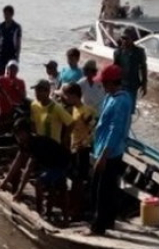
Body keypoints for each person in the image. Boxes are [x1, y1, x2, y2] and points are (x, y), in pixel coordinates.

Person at [89, 64, 132, 236]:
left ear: (113, 83)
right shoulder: (110, 97)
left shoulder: (121, 101)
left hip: (110, 152)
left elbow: (115, 130)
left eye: (105, 84)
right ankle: (108, 222)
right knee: (104, 187)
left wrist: (104, 155)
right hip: (102, 149)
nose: (103, 87)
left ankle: (98, 227)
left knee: (102, 191)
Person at [0, 118, 71, 221]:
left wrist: (19, 192)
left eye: (20, 133)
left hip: (61, 162)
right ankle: (48, 214)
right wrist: (4, 182)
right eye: (17, 134)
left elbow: (28, 169)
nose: (18, 137)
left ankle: (41, 213)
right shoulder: (24, 143)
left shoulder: (36, 144)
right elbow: (17, 162)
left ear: (27, 132)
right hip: (50, 164)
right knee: (51, 187)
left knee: (42, 184)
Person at [60, 82, 98, 220]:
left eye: (67, 96)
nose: (66, 98)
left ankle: (76, 210)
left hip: (82, 149)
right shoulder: (74, 109)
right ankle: (72, 207)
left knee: (79, 181)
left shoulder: (85, 111)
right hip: (74, 148)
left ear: (74, 96)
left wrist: (85, 144)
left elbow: (93, 130)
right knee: (75, 180)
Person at [113, 27, 147, 113]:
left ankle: (127, 125)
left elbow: (143, 67)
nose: (124, 41)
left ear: (132, 39)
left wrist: (144, 84)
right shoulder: (118, 52)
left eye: (126, 38)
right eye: (123, 38)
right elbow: (115, 68)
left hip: (132, 85)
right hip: (120, 85)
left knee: (130, 109)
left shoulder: (139, 52)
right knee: (119, 108)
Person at [29, 79, 73, 144]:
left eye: (40, 91)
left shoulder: (56, 108)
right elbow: (33, 122)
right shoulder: (34, 105)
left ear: (48, 92)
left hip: (53, 146)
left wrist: (65, 139)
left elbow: (71, 123)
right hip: (39, 143)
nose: (37, 94)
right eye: (36, 91)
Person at [0, 59, 26, 132]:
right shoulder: (0, 79)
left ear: (17, 70)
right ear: (7, 69)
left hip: (14, 111)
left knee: (12, 129)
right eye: (10, 68)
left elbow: (23, 96)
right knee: (0, 129)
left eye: (14, 68)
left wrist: (16, 88)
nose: (12, 70)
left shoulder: (20, 82)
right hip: (2, 110)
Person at [0, 5, 22, 75]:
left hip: (12, 54)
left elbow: (18, 43)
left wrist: (17, 56)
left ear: (12, 14)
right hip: (1, 54)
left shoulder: (16, 27)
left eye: (8, 14)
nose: (6, 16)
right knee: (0, 74)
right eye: (4, 14)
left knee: (11, 74)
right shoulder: (1, 26)